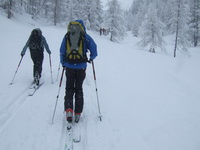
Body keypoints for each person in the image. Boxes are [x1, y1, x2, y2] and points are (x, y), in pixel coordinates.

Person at [60, 20, 97, 123]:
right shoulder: (85, 36)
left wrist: (63, 63)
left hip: (69, 66)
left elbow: (62, 50)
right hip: (81, 67)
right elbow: (94, 48)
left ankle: (68, 110)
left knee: (69, 88)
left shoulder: (67, 35)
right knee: (79, 89)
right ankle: (77, 113)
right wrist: (91, 57)